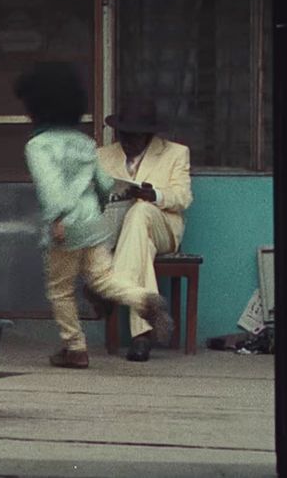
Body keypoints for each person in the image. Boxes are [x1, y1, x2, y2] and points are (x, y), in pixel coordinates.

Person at [14, 62, 171, 369]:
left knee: (60, 289)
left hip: (66, 226)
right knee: (103, 278)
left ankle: (74, 348)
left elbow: (50, 185)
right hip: (93, 223)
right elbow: (103, 183)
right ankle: (143, 299)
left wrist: (57, 218)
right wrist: (96, 211)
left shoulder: (38, 145)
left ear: (36, 106)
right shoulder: (85, 143)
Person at [97, 98, 194, 361]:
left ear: (149, 135)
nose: (127, 141)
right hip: (120, 230)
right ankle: (142, 335)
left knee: (140, 211)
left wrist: (156, 195)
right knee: (142, 247)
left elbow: (183, 198)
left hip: (164, 226)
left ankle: (113, 287)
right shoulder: (103, 156)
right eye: (123, 135)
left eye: (135, 136)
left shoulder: (176, 153)